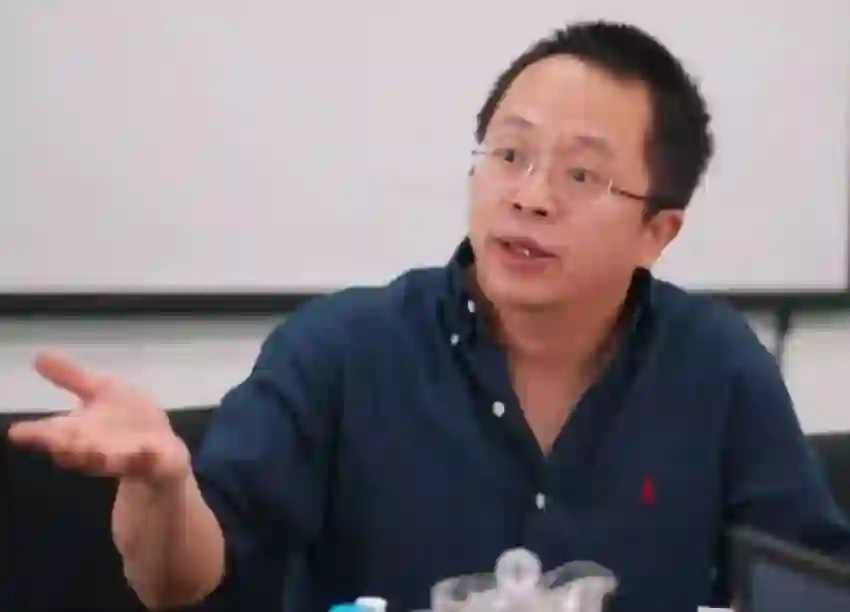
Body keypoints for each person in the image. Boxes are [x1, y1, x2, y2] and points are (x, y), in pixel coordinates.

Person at [7, 20, 850, 612]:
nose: (529, 196)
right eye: (510, 153)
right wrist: (162, 488)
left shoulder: (716, 368)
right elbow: (177, 580)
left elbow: (809, 584)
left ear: (657, 233)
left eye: (581, 175)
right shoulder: (343, 351)